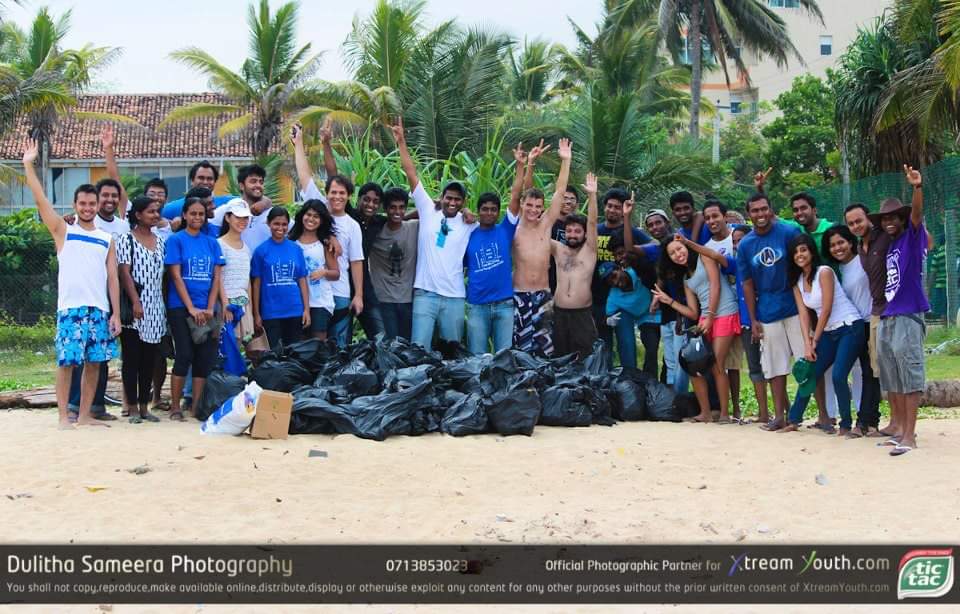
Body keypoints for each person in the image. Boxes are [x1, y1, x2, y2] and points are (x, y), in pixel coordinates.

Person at [22, 138, 120, 429]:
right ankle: (65, 416)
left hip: (99, 310)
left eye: (93, 203)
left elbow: (112, 277)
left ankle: (86, 415)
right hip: (71, 309)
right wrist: (28, 164)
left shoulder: (106, 238)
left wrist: (115, 312)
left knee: (94, 364)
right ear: (75, 205)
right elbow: (41, 200)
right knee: (67, 363)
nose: (88, 208)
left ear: (98, 205)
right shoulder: (63, 230)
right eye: (83, 203)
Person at [390, 118, 477, 349]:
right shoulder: (428, 209)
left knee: (453, 352)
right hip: (425, 294)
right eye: (449, 197)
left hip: (454, 296)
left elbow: (490, 228)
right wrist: (401, 141)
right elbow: (411, 172)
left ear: (463, 202)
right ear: (442, 196)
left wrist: (471, 213)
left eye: (458, 199)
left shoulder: (468, 223)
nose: (452, 201)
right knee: (418, 349)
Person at [780, 234, 865, 435]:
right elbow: (803, 315)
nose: (800, 255)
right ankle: (793, 420)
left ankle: (845, 424)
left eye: (803, 250)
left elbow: (826, 309)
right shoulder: (798, 281)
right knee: (809, 373)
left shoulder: (824, 272)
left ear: (811, 251)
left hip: (849, 326)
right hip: (827, 331)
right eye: (796, 252)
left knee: (838, 376)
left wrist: (815, 340)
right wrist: (807, 344)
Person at [685, 224, 770, 423]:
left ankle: (769, 413)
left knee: (765, 367)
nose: (738, 244)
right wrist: (689, 243)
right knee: (736, 366)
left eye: (741, 240)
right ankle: (737, 412)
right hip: (743, 319)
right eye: (734, 241)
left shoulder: (761, 262)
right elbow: (713, 255)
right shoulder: (735, 263)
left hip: (759, 317)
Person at [654, 232, 740, 423]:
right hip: (705, 318)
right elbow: (693, 312)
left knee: (717, 364)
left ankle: (725, 414)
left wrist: (709, 316)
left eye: (679, 249)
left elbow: (716, 286)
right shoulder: (685, 278)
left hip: (725, 312)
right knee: (694, 363)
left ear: (686, 247)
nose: (678, 254)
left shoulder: (704, 257)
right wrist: (669, 301)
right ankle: (706, 413)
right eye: (672, 253)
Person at [292, 125, 365, 348]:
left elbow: (356, 262)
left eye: (342, 193)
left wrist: (358, 294)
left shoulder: (352, 225)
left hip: (340, 291)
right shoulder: (317, 210)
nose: (337, 196)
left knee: (338, 348)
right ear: (326, 193)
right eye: (333, 192)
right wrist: (299, 144)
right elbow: (304, 174)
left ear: (349, 196)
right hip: (312, 295)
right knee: (310, 345)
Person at [873, 165, 928, 456]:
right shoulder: (891, 244)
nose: (889, 222)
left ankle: (910, 435)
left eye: (894, 217)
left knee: (909, 374)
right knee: (892, 375)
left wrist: (916, 187)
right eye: (885, 219)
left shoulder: (913, 236)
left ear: (903, 219)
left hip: (908, 313)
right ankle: (898, 429)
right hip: (889, 314)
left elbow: (917, 215)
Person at [737, 192, 803, 431]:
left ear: (771, 209)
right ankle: (779, 416)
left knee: (807, 361)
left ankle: (824, 415)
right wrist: (753, 318)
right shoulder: (745, 244)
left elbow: (804, 264)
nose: (760, 214)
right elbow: (747, 284)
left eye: (764, 209)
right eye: (755, 211)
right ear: (749, 214)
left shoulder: (788, 233)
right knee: (775, 367)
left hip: (795, 306)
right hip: (767, 311)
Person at [164, 196, 225, 421]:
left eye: (201, 214)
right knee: (184, 355)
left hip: (207, 308)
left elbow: (216, 278)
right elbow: (176, 276)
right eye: (193, 213)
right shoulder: (176, 240)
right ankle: (175, 406)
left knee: (204, 357)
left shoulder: (212, 242)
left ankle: (197, 406)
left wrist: (210, 308)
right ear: (185, 215)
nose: (197, 217)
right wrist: (190, 307)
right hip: (180, 307)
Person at [512, 138, 573, 357]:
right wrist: (527, 164)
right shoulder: (514, 227)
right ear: (522, 205)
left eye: (538, 206)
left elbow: (559, 192)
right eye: (529, 205)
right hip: (519, 294)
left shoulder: (546, 224)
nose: (533, 209)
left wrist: (566, 161)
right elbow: (518, 191)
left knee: (546, 350)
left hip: (543, 296)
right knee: (520, 349)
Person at [822, 224, 881, 437]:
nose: (838, 248)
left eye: (841, 243)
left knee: (869, 372)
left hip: (870, 321)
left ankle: (867, 422)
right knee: (854, 372)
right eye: (832, 245)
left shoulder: (863, 260)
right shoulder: (836, 270)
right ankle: (860, 420)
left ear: (850, 242)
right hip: (852, 326)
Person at [117, 196, 166, 424]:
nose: (155, 215)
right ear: (138, 215)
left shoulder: (161, 241)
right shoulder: (126, 240)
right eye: (150, 212)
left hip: (156, 307)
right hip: (135, 307)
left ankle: (145, 406)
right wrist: (136, 301)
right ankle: (133, 407)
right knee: (132, 359)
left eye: (157, 212)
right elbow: (124, 273)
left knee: (150, 359)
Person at [591, 187, 654, 360]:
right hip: (597, 297)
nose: (612, 210)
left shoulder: (632, 233)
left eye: (617, 207)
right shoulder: (594, 230)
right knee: (602, 348)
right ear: (604, 206)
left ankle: (630, 380)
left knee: (626, 345)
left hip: (622, 299)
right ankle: (603, 382)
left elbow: (654, 248)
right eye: (609, 205)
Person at [700, 199, 743, 417]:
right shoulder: (707, 247)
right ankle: (732, 408)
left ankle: (738, 409)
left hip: (745, 306)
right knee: (726, 363)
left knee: (740, 364)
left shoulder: (738, 236)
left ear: (725, 216)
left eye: (715, 216)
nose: (711, 221)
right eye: (707, 218)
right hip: (727, 307)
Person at [465, 189, 519, 355]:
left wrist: (521, 165)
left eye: (493, 209)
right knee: (477, 358)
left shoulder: (505, 229)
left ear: (498, 212)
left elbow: (516, 196)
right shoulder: (467, 234)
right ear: (478, 211)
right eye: (485, 209)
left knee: (504, 357)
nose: (489, 212)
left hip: (504, 305)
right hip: (477, 306)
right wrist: (464, 211)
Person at [551, 173, 599, 359]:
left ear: (585, 234)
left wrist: (592, 195)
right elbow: (540, 227)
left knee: (584, 359)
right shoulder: (558, 249)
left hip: (582, 315)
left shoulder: (590, 250)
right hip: (559, 314)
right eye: (569, 231)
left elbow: (593, 222)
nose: (572, 234)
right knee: (559, 359)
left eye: (577, 231)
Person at [251, 207, 310, 349]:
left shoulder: (296, 249)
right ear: (268, 224)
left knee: (294, 354)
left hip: (294, 310)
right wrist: (256, 314)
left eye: (284, 224)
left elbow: (302, 280)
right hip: (271, 312)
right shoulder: (261, 251)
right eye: (276, 224)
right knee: (273, 355)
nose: (280, 228)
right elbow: (256, 285)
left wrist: (306, 309)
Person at [368, 188, 418, 340]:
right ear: (385, 209)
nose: (397, 211)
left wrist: (467, 212)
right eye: (393, 207)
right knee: (389, 345)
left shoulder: (414, 227)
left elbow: (433, 211)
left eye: (402, 207)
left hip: (408, 299)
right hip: (383, 300)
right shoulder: (375, 232)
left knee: (407, 346)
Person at [289, 200, 340, 341]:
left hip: (320, 302)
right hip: (296, 301)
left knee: (318, 345)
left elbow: (336, 273)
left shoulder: (324, 244)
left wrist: (323, 272)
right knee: (298, 345)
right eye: (308, 214)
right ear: (302, 216)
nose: (311, 219)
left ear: (322, 220)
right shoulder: (291, 242)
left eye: (316, 216)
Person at [211, 165, 273, 251]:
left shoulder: (272, 213)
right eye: (253, 181)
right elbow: (204, 221)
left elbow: (292, 232)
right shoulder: (231, 207)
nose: (258, 185)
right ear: (241, 186)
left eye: (261, 182)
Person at [217, 204, 254, 343]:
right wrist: (225, 304)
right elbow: (218, 277)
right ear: (227, 217)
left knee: (240, 347)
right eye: (238, 217)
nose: (242, 221)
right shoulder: (219, 244)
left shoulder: (247, 249)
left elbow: (247, 280)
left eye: (245, 218)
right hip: (225, 305)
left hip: (243, 305)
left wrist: (249, 308)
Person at [161, 161, 233, 221]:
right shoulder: (172, 208)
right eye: (201, 178)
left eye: (209, 179)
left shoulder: (227, 204)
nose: (205, 182)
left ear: (215, 182)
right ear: (192, 180)